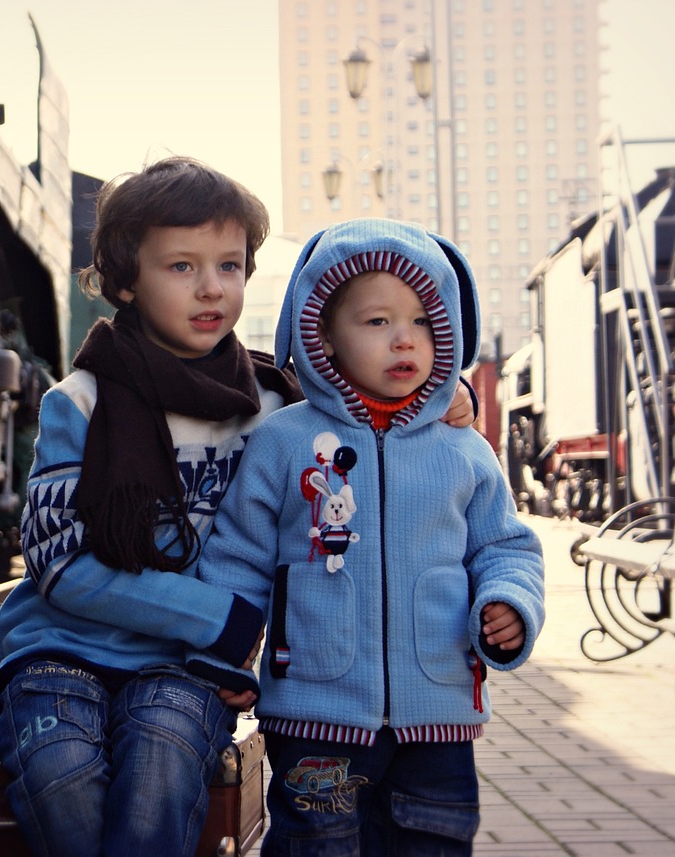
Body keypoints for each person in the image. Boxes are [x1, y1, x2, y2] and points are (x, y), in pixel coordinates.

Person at [0, 160, 474, 857]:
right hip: (60, 650)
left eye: (230, 265)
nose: (212, 287)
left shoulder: (273, 406)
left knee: (159, 772)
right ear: (125, 281)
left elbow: (372, 404)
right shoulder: (79, 402)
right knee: (61, 776)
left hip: (185, 666)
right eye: (181, 266)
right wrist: (220, 619)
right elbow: (58, 562)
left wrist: (449, 399)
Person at [190, 217, 546, 856]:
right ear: (321, 334)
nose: (404, 338)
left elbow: (505, 547)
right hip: (314, 716)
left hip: (437, 718)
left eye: (424, 322)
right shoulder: (283, 442)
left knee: (433, 844)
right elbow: (238, 559)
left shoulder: (465, 451)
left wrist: (510, 603)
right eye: (378, 321)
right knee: (315, 844)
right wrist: (227, 654)